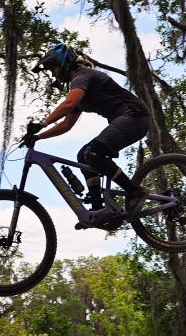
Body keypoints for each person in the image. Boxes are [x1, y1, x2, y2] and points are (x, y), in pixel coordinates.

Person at [28, 42, 150, 229]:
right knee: (83, 155)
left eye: (52, 67)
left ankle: (135, 191)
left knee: (94, 154)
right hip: (127, 120)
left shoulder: (82, 76)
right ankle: (97, 210)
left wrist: (42, 123)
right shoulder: (78, 88)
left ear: (63, 63)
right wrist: (38, 137)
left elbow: (68, 104)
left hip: (134, 117)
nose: (52, 73)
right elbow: (66, 125)